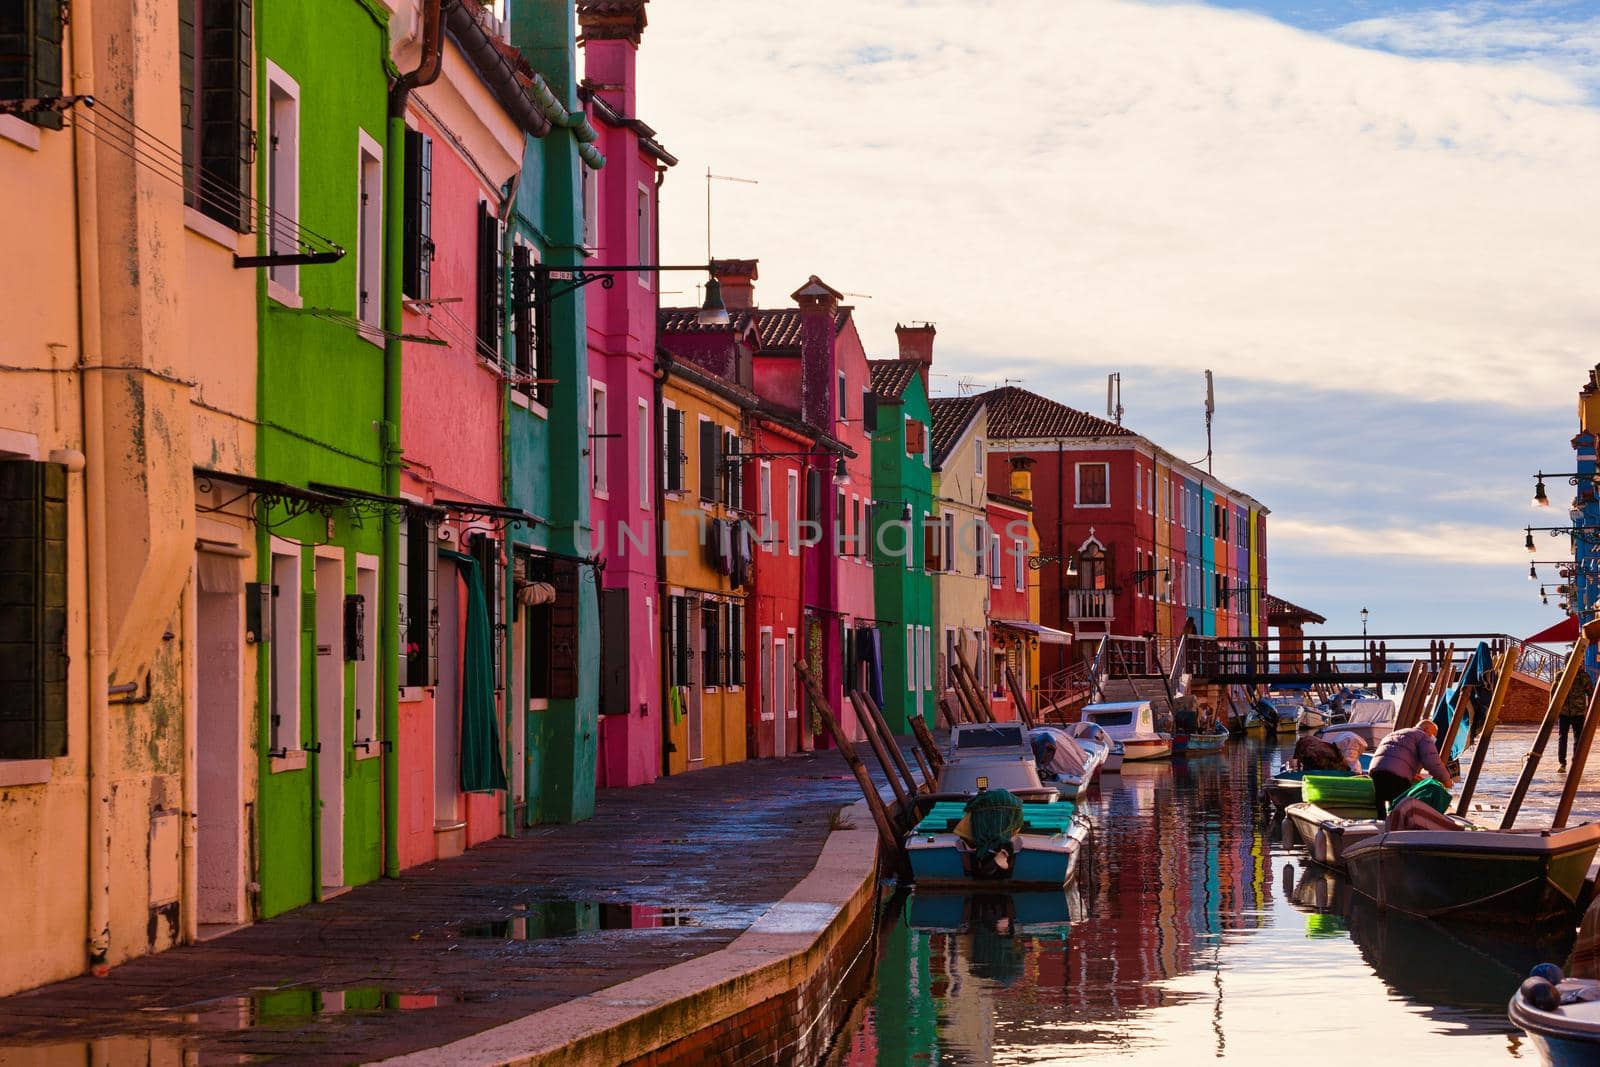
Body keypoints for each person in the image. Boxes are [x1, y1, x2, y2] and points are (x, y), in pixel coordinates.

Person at [1368, 720, 1454, 809]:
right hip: (1397, 776)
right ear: (1426, 729)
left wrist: (1411, 774)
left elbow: (1395, 755)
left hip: (1376, 772)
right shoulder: (1423, 736)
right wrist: (1446, 780)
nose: (1433, 737)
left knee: (1381, 808)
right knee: (1400, 808)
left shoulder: (1395, 733)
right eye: (1433, 734)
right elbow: (1432, 762)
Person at [1559, 667, 1594, 770]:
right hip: (1564, 712)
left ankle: (1575, 762)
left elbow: (1591, 693)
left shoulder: (1583, 676)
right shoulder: (1561, 675)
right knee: (1562, 738)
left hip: (1578, 712)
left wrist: (1589, 710)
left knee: (1578, 738)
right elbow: (1554, 692)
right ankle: (1562, 763)